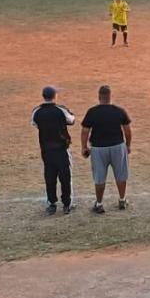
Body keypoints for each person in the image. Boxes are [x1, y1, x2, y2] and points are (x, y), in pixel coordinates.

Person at [80, 85, 132, 214]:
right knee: (120, 175)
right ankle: (122, 200)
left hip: (98, 148)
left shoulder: (92, 112)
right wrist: (128, 145)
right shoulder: (119, 111)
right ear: (110, 96)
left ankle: (99, 203)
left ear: (99, 97)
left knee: (99, 177)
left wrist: (84, 147)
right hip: (117, 146)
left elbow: (85, 131)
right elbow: (127, 130)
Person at [31, 86, 76, 215]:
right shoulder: (60, 110)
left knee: (49, 177)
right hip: (62, 149)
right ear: (54, 96)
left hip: (46, 150)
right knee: (65, 177)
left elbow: (34, 124)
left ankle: (51, 203)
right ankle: (67, 204)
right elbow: (71, 120)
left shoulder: (37, 111)